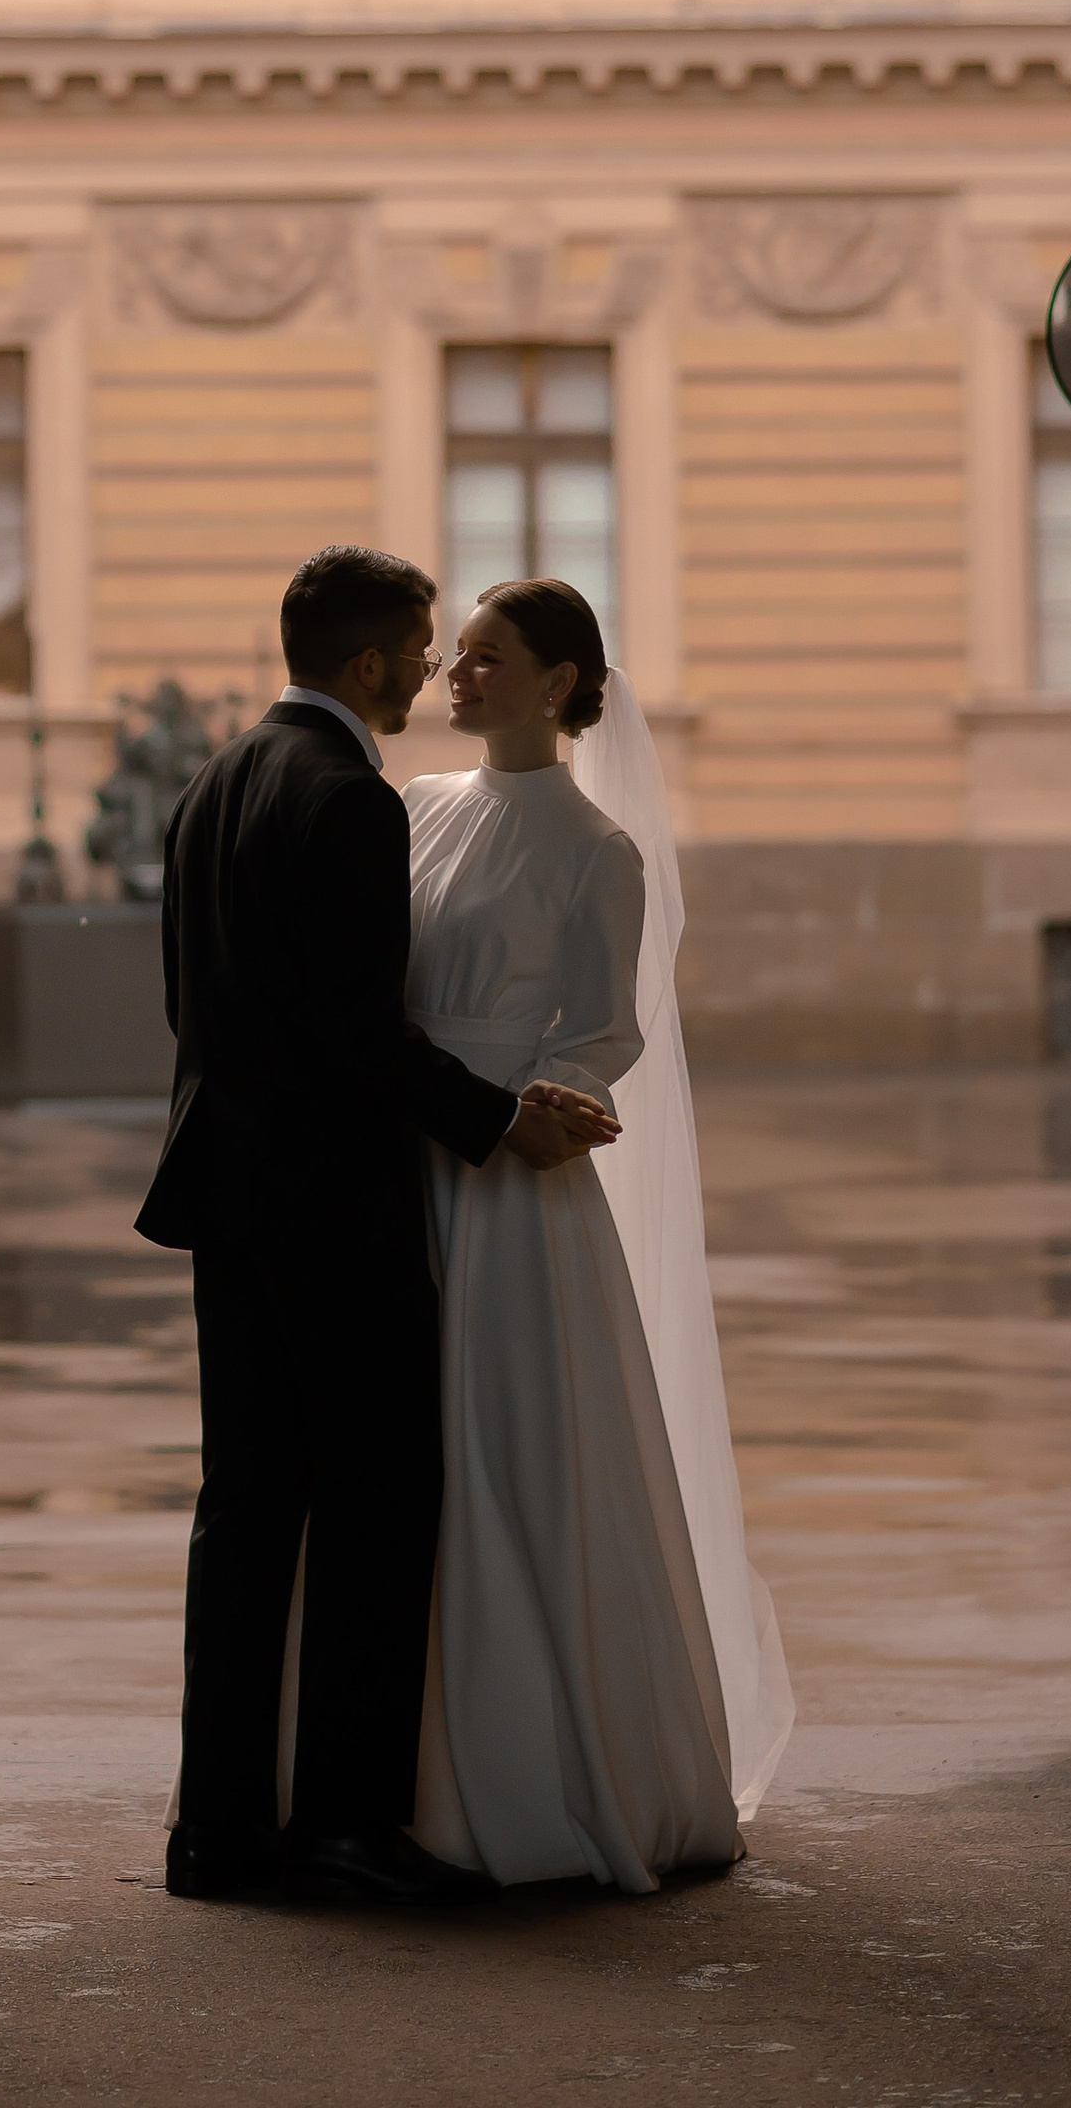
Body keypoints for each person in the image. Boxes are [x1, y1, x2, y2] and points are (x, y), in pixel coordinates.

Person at [137, 544, 615, 1909]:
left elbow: (200, 1006)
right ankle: (346, 1822)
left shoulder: (216, 780)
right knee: (372, 1511)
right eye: (417, 650)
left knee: (243, 1515)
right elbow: (358, 1034)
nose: (429, 672)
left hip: (229, 1203)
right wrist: (492, 1119)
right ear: (367, 664)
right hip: (335, 1212)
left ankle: (217, 1834)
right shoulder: (349, 799)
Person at [402, 580, 795, 1889]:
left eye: (487, 658)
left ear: (561, 682)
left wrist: (535, 1107)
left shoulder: (597, 852)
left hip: (516, 1183)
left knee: (514, 1447)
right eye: (454, 654)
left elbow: (606, 1030)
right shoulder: (414, 809)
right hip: (410, 1155)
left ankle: (555, 1778)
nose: (457, 675)